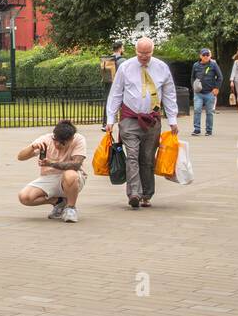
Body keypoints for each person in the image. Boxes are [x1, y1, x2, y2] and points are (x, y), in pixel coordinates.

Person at [104, 36, 177, 208]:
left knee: (147, 158)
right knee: (132, 156)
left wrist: (173, 120)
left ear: (152, 51)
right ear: (135, 51)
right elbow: (115, 93)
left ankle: (146, 194)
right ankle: (134, 193)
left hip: (152, 120)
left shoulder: (161, 68)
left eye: (147, 53)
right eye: (140, 53)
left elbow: (169, 94)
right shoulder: (125, 67)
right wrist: (110, 119)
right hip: (130, 119)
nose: (143, 56)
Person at [16, 120, 88, 222]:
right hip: (49, 177)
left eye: (62, 143)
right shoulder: (45, 140)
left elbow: (76, 165)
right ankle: (58, 202)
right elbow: (20, 157)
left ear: (71, 139)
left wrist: (51, 163)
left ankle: (71, 208)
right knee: (24, 197)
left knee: (70, 174)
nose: (58, 144)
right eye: (56, 140)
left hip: (73, 178)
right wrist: (32, 147)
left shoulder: (79, 139)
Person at [190, 47, 222, 136]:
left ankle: (209, 130)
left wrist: (216, 88)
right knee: (197, 110)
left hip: (209, 93)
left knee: (209, 112)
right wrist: (194, 86)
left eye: (207, 55)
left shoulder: (213, 65)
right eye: (204, 55)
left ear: (210, 55)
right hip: (198, 93)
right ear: (200, 56)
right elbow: (192, 77)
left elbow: (220, 77)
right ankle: (197, 129)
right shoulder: (195, 65)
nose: (206, 56)